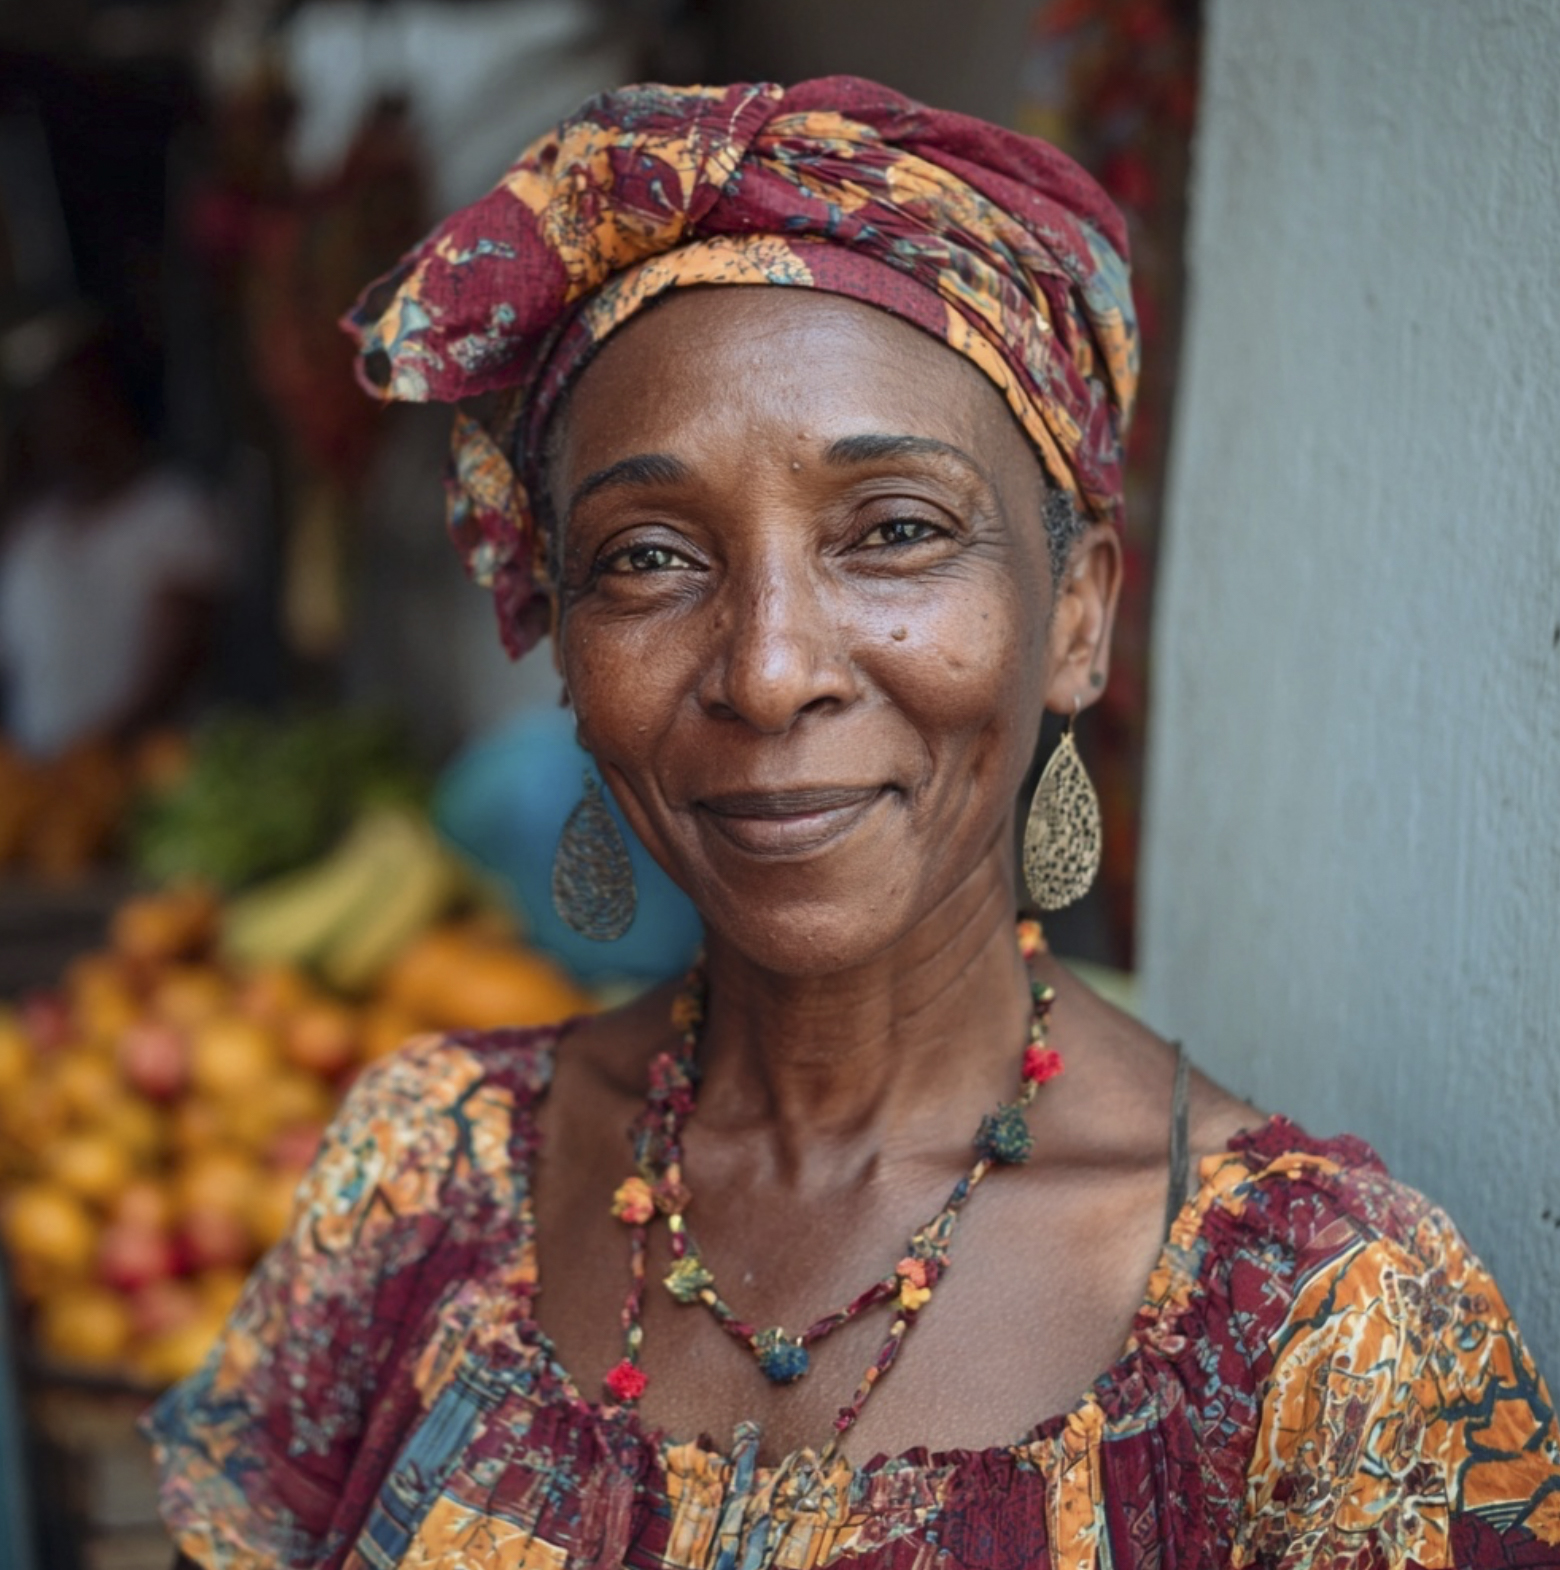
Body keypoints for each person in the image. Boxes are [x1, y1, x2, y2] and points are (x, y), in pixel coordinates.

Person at [145, 78, 1560, 1568]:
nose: (769, 672)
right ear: (562, 636)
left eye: (894, 530)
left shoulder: (1324, 1336)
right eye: (647, 555)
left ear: (1078, 617)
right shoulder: (427, 1179)